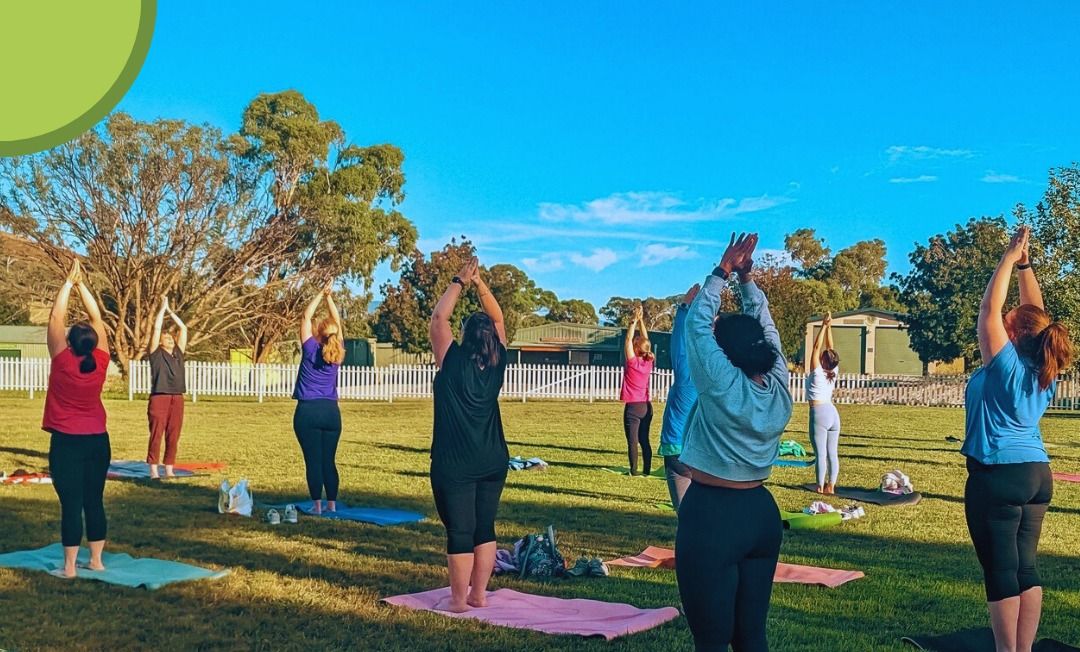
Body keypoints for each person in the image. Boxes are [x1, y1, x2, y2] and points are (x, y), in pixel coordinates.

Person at [675, 233, 793, 651]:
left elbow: (696, 326)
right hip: (760, 514)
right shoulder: (779, 384)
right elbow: (767, 330)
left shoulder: (722, 383)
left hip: (712, 516)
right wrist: (746, 281)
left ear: (727, 355)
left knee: (710, 641)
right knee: (751, 638)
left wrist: (722, 272)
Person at [963, 226, 1072, 652]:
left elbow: (989, 310)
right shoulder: (1044, 365)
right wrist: (1025, 264)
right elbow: (1034, 312)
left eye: (1010, 324)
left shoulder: (1007, 364)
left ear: (1015, 335)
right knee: (1026, 567)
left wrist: (1008, 258)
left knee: (1001, 570)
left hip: (998, 476)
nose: (1003, 324)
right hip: (1036, 476)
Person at [428, 257, 510, 613]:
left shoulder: (451, 359)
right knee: (484, 528)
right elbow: (499, 318)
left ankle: (459, 602)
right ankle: (479, 594)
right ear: (491, 338)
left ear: (464, 336)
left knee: (460, 531)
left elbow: (438, 318)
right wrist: (480, 285)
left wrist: (460, 281)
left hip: (455, 462)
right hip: (493, 458)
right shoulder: (498, 360)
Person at [43, 259, 112, 578]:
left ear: (69, 343)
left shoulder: (61, 361)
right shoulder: (101, 359)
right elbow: (97, 316)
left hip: (67, 443)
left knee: (71, 504)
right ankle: (96, 561)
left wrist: (69, 284)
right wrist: (84, 285)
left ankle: (69, 568)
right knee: (93, 501)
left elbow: (56, 316)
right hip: (98, 441)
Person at [293, 282, 346, 515]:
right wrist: (330, 299)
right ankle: (332, 505)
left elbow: (306, 316)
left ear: (319, 333)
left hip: (308, 412)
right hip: (331, 413)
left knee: (313, 461)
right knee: (328, 461)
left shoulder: (310, 348)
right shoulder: (338, 352)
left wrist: (319, 294)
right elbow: (338, 324)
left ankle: (317, 506)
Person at [659, 283, 700, 510]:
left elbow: (678, 345)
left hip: (678, 449)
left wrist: (683, 308)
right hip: (705, 452)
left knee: (686, 516)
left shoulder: (687, 375)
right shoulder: (716, 379)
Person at [146, 296, 188, 479]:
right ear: (160, 342)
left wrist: (172, 312)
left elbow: (184, 328)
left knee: (174, 434)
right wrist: (162, 310)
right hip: (159, 397)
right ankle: (154, 470)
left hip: (177, 397)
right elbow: (155, 329)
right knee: (156, 434)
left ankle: (169, 468)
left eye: (171, 338)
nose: (170, 340)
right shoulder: (156, 354)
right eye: (166, 338)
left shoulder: (178, 353)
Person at [807, 311, 841, 494]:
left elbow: (816, 347)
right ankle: (831, 486)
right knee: (832, 453)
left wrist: (822, 325)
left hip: (818, 412)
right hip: (833, 413)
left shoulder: (818, 372)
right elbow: (830, 347)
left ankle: (820, 487)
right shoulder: (834, 371)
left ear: (823, 360)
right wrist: (829, 325)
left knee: (820, 453)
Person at [620, 303, 655, 476]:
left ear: (635, 349)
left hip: (633, 407)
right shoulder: (649, 361)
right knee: (644, 440)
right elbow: (646, 340)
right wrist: (641, 322)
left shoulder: (633, 363)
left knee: (632, 441)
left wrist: (634, 320)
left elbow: (628, 340)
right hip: (646, 407)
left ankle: (633, 471)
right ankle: (647, 471)